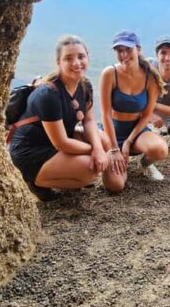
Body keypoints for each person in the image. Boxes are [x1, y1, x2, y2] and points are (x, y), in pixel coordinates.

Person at [7, 35, 110, 201]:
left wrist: (98, 149)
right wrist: (94, 151)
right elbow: (61, 143)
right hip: (32, 150)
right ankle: (36, 182)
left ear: (87, 57)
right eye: (68, 58)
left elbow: (89, 120)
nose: (77, 63)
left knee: (103, 141)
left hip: (55, 141)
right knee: (90, 172)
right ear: (59, 62)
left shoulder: (84, 85)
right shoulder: (49, 94)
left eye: (81, 57)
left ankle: (68, 173)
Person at [99, 31, 169, 190]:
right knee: (115, 186)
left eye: (128, 49)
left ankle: (145, 164)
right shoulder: (110, 74)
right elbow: (105, 115)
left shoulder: (150, 77)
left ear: (138, 50)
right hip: (113, 131)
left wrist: (129, 141)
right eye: (119, 51)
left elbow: (146, 115)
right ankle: (110, 158)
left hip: (137, 132)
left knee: (160, 150)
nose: (123, 55)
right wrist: (114, 148)